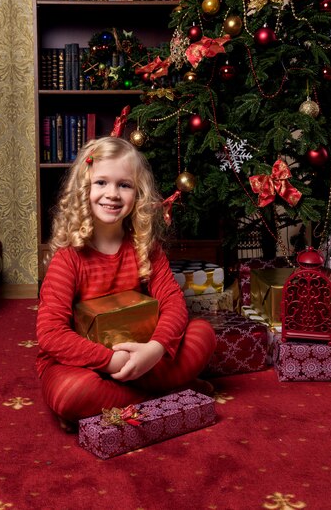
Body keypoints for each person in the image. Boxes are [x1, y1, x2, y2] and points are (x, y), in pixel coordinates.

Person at [36, 136, 217, 428]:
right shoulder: (68, 258)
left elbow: (173, 304)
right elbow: (51, 334)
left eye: (124, 185)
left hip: (142, 356)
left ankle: (124, 398)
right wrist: (110, 361)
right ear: (84, 189)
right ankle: (161, 396)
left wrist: (155, 349)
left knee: (203, 335)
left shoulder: (145, 247)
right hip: (87, 363)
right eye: (101, 183)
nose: (113, 194)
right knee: (69, 394)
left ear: (138, 195)